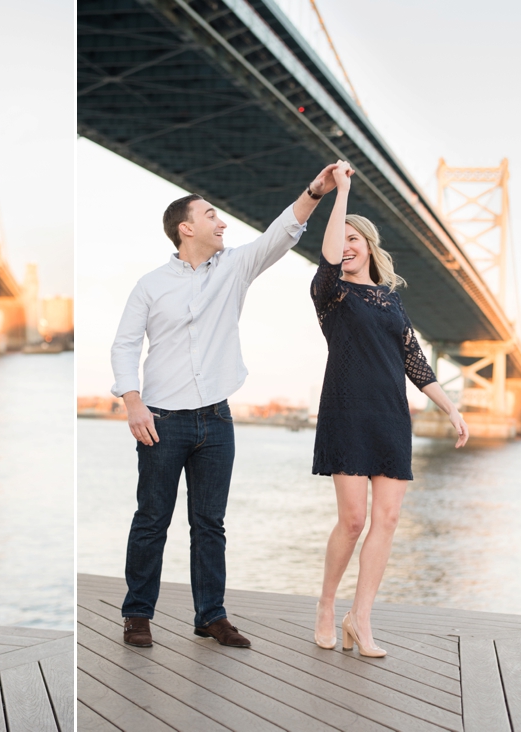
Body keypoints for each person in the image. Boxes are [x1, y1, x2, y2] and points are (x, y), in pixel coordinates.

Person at [111, 163, 340, 649]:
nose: (223, 223)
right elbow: (125, 346)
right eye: (211, 215)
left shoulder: (235, 267)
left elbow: (280, 234)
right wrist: (132, 403)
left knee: (209, 523)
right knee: (152, 519)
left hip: (216, 419)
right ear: (185, 227)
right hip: (160, 421)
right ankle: (137, 615)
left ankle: (210, 616)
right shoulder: (150, 284)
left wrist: (315, 191)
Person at [311, 161, 469, 657]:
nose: (349, 246)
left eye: (358, 239)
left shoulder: (391, 301)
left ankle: (361, 619)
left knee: (390, 519)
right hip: (346, 411)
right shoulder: (331, 292)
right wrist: (342, 192)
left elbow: (414, 360)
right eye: (344, 239)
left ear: (372, 248)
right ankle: (325, 606)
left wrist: (450, 408)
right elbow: (330, 253)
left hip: (390, 416)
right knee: (353, 520)